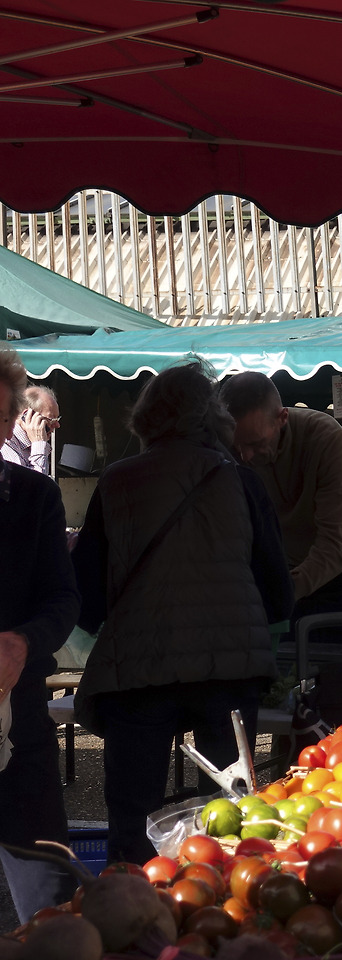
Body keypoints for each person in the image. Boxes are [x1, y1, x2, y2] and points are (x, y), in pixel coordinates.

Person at [72, 363, 293, 863]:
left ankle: (132, 899)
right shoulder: (241, 481)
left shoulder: (117, 482)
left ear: (145, 417)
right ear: (215, 417)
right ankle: (222, 900)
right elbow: (278, 594)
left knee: (133, 815)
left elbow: (86, 594)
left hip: (138, 671)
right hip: (230, 669)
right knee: (229, 813)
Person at [0, 347, 79, 920]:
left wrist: (25, 640)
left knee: (50, 901)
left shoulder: (34, 498)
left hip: (19, 714)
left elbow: (63, 599)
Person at [220, 371, 342, 621]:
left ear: (282, 418)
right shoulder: (226, 445)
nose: (245, 456)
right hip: (289, 571)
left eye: (256, 443)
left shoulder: (325, 436)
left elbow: (333, 546)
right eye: (237, 445)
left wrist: (279, 595)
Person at [2, 385, 60, 476]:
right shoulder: (6, 444)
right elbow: (35, 484)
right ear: (28, 416)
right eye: (51, 419)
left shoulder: (30, 445)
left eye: (57, 419)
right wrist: (39, 445)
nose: (57, 425)